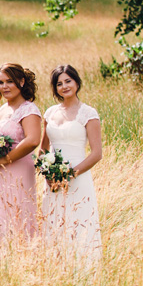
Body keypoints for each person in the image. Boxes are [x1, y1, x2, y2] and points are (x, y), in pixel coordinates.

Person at [40, 65, 103, 265]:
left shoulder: (88, 113)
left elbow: (96, 154)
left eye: (68, 81)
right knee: (54, 222)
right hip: (52, 182)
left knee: (79, 223)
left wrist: (68, 176)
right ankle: (55, 268)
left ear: (76, 82)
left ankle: (83, 270)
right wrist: (48, 175)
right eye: (59, 83)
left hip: (78, 178)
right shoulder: (49, 113)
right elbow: (42, 150)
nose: (64, 86)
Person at [0, 63, 43, 246]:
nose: (4, 86)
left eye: (10, 81)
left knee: (16, 212)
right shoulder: (2, 110)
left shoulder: (29, 109)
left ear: (22, 82)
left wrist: (5, 159)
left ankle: (19, 256)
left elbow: (32, 140)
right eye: (1, 82)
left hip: (17, 169)